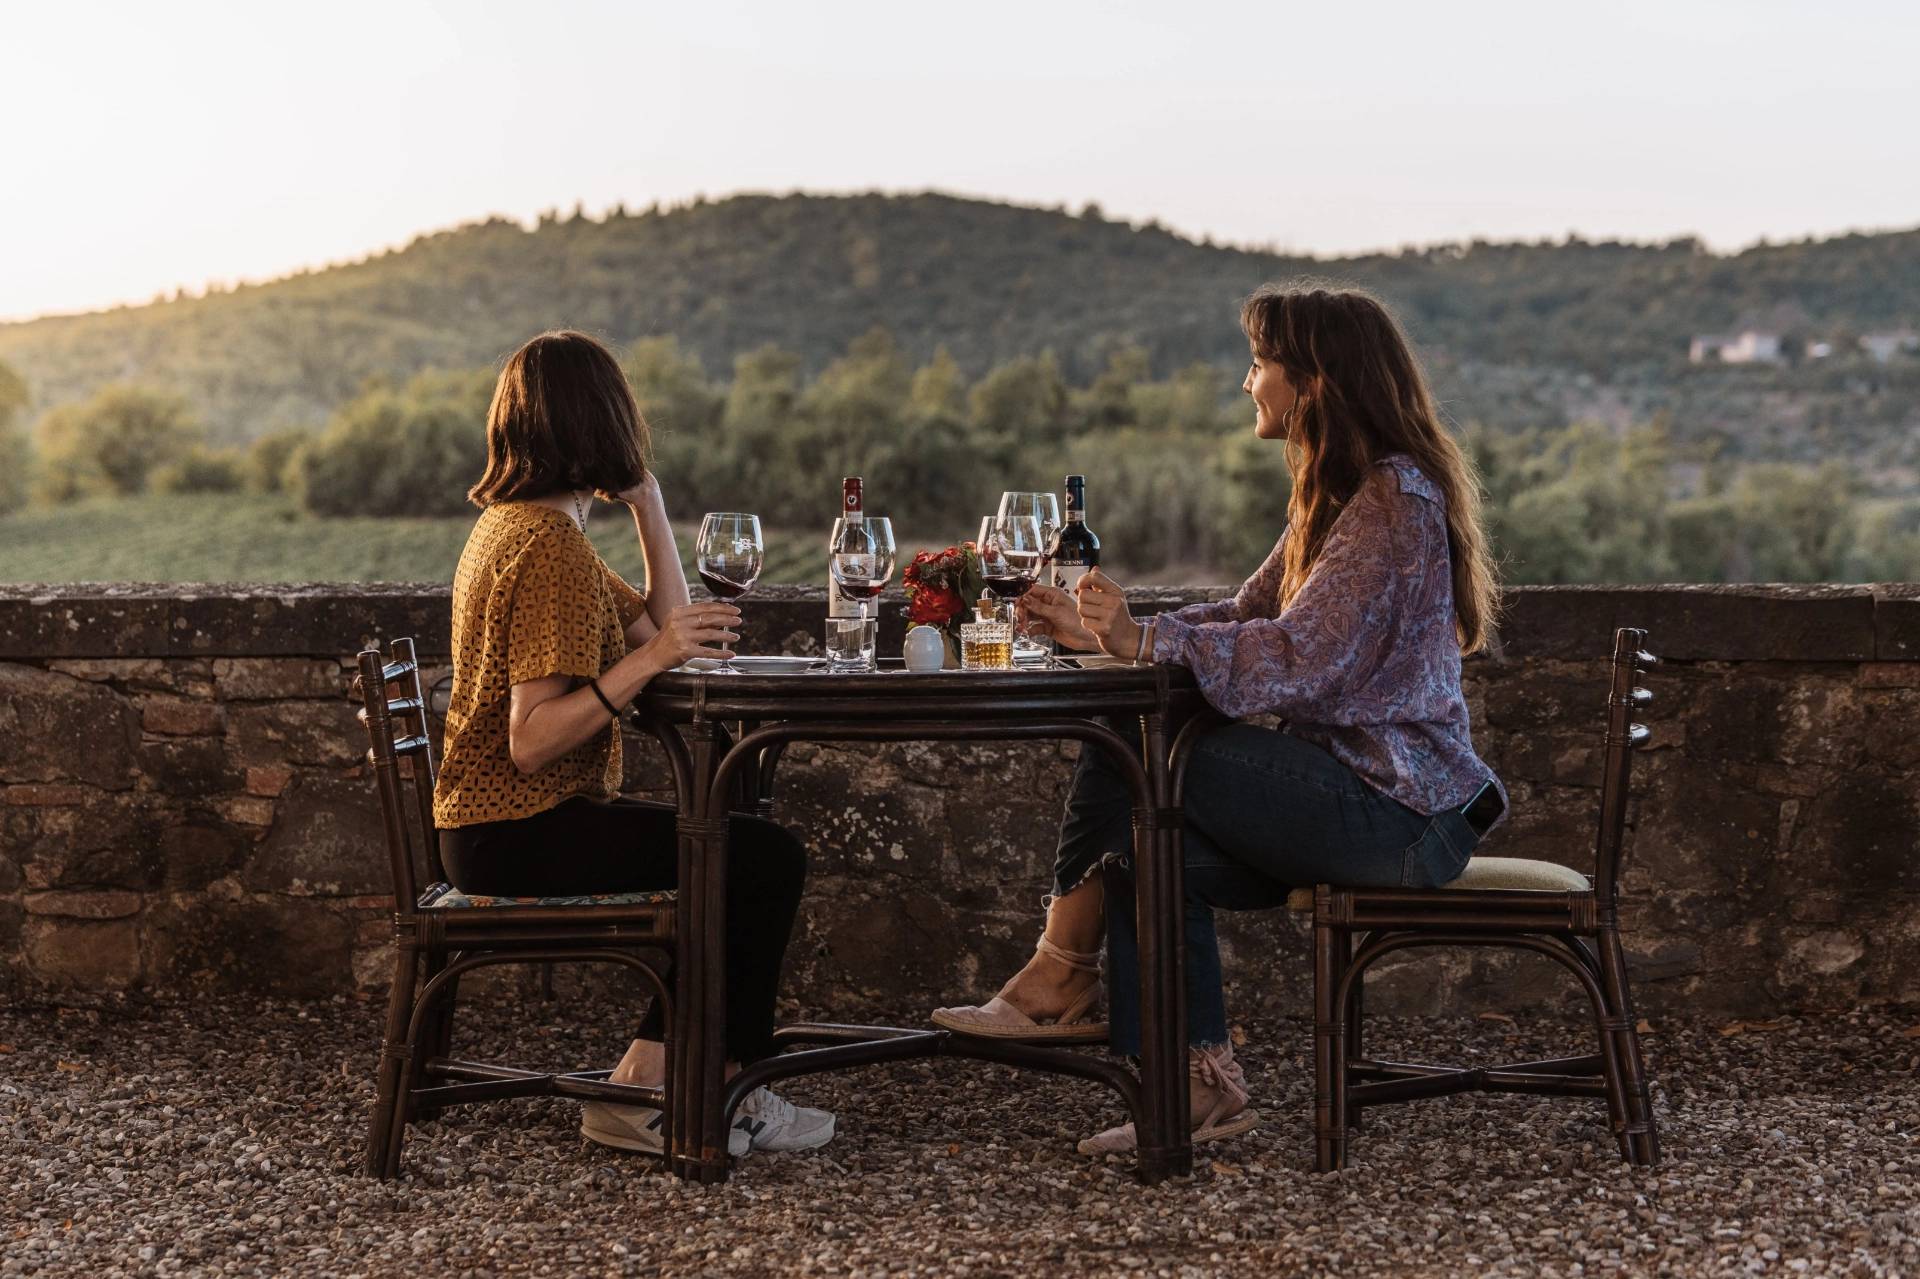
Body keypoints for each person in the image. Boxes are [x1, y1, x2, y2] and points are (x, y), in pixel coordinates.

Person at [933, 284, 1507, 1154]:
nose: (1248, 384)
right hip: (1359, 800)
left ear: (1312, 380)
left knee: (1130, 736)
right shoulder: (1340, 493)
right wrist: (1105, 631)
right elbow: (1248, 614)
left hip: (1404, 814)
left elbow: (1300, 656)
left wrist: (1140, 640)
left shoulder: (1394, 502)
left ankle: (1059, 969)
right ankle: (1197, 1087)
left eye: (1259, 364)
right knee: (1141, 853)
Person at [432, 330, 833, 1158]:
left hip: (490, 829)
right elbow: (533, 741)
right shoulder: (545, 552)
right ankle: (700, 1085)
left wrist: (649, 505)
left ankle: (665, 1079)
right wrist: (649, 660)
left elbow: (663, 621)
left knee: (734, 851)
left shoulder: (525, 531)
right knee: (757, 858)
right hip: (514, 830)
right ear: (603, 423)